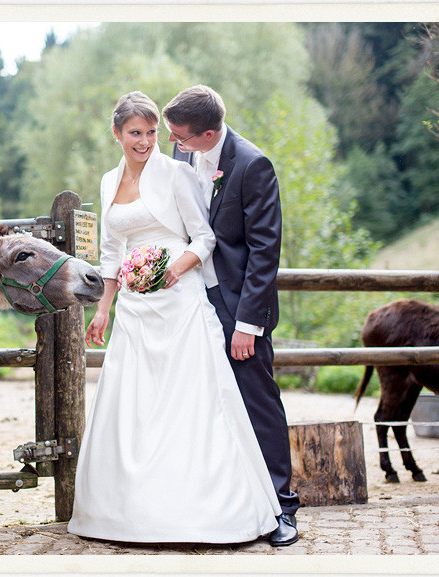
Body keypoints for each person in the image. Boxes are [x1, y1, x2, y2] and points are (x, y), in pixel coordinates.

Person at [67, 91, 281, 544]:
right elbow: (111, 252)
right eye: (135, 133)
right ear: (117, 134)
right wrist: (104, 308)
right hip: (133, 310)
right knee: (136, 408)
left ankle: (216, 509)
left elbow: (204, 239)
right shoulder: (108, 182)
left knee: (189, 403)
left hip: (180, 301)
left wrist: (169, 270)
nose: (147, 142)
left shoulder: (179, 171)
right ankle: (130, 512)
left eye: (151, 132)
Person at [162, 85, 300, 546]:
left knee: (257, 400)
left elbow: (265, 249)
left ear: (207, 132)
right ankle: (222, 503)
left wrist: (247, 324)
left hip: (237, 303)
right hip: (189, 301)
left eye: (180, 137)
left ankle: (282, 506)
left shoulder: (252, 164)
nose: (173, 144)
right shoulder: (182, 157)